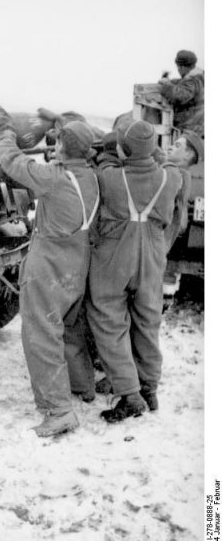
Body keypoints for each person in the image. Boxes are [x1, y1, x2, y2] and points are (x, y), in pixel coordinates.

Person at [0, 103, 100, 437]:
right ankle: (82, 386)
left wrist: (3, 131)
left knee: (41, 334)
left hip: (49, 265)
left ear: (63, 146)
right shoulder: (88, 177)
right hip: (76, 265)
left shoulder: (55, 179)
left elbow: (12, 162)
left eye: (58, 141)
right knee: (69, 327)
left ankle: (58, 411)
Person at [86, 120, 183, 422]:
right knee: (148, 321)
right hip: (153, 255)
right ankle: (149, 388)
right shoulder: (172, 178)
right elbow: (165, 164)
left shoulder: (109, 178)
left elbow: (103, 162)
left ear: (123, 150)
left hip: (115, 256)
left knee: (108, 319)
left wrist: (109, 151)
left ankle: (129, 394)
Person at [158, 50, 204, 138]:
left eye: (178, 67)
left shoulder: (193, 81)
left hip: (190, 130)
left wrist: (165, 85)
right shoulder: (200, 77)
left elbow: (179, 97)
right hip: (199, 127)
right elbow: (184, 83)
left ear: (182, 67)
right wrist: (170, 81)